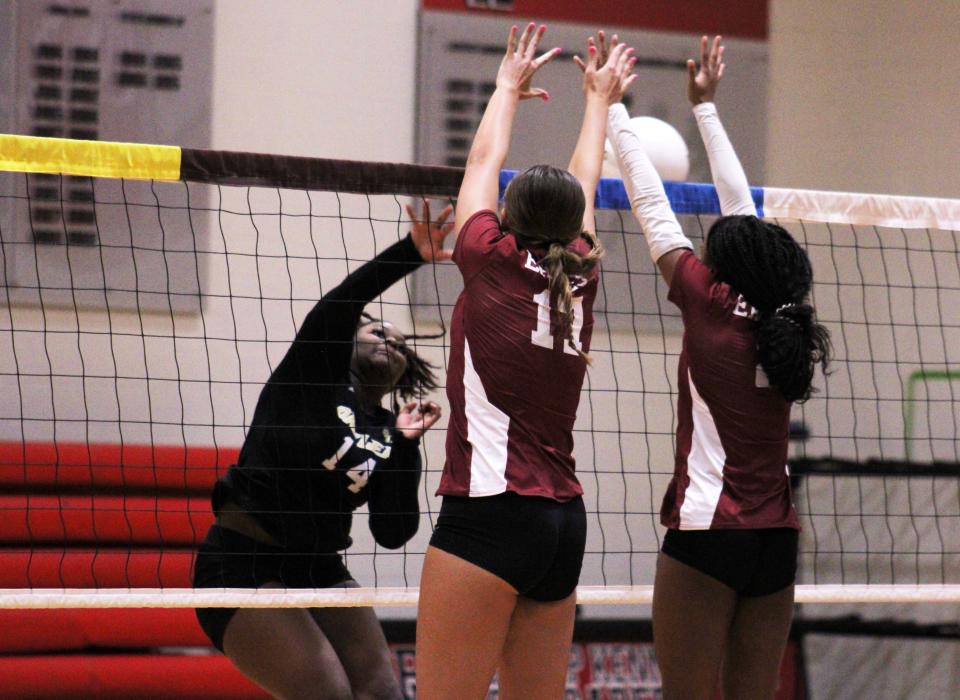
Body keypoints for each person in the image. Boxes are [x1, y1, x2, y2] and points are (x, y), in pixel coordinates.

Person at [606, 35, 831, 700]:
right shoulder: (788, 310)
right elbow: (745, 213)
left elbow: (651, 203)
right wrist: (705, 108)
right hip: (776, 542)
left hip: (709, 534)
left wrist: (614, 109)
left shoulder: (709, 304)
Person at [415, 24, 636, 700]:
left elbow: (483, 157)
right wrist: (599, 98)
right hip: (561, 526)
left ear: (505, 220)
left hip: (490, 512)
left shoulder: (488, 257)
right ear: (574, 230)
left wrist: (507, 85)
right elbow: (587, 179)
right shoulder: (583, 271)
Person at [193, 199, 453, 700]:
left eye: (401, 345)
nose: (390, 341)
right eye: (378, 330)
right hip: (243, 562)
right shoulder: (310, 377)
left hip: (320, 568)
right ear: (347, 343)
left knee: (383, 693)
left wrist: (404, 448)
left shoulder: (385, 430)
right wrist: (408, 254)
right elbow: (342, 303)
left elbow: (393, 531)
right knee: (328, 693)